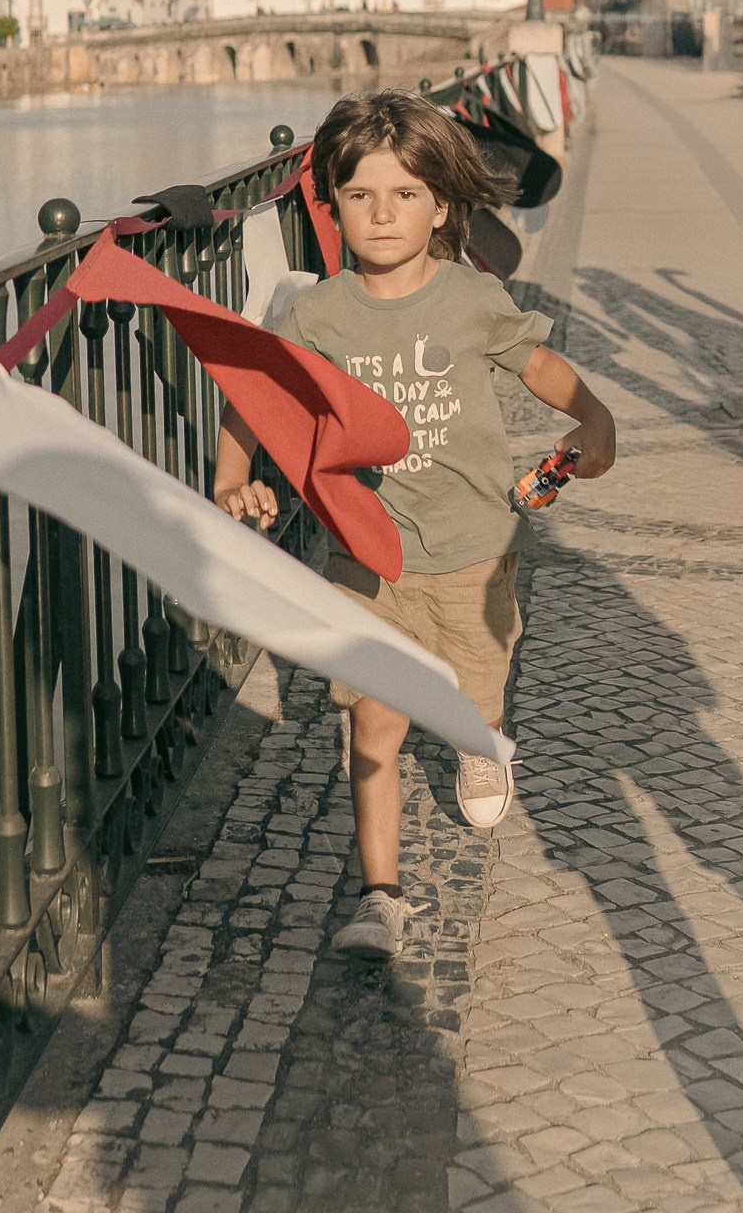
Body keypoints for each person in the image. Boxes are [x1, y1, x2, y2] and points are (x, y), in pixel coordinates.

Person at [213, 91, 616, 958]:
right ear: (332, 205)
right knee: (374, 721)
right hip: (368, 556)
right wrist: (231, 473)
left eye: (404, 194)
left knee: (475, 693)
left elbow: (538, 364)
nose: (382, 213)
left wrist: (594, 418)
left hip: (474, 551)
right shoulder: (317, 313)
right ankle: (380, 896)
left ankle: (478, 740)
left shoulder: (471, 297)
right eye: (359, 195)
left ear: (439, 206)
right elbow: (259, 390)